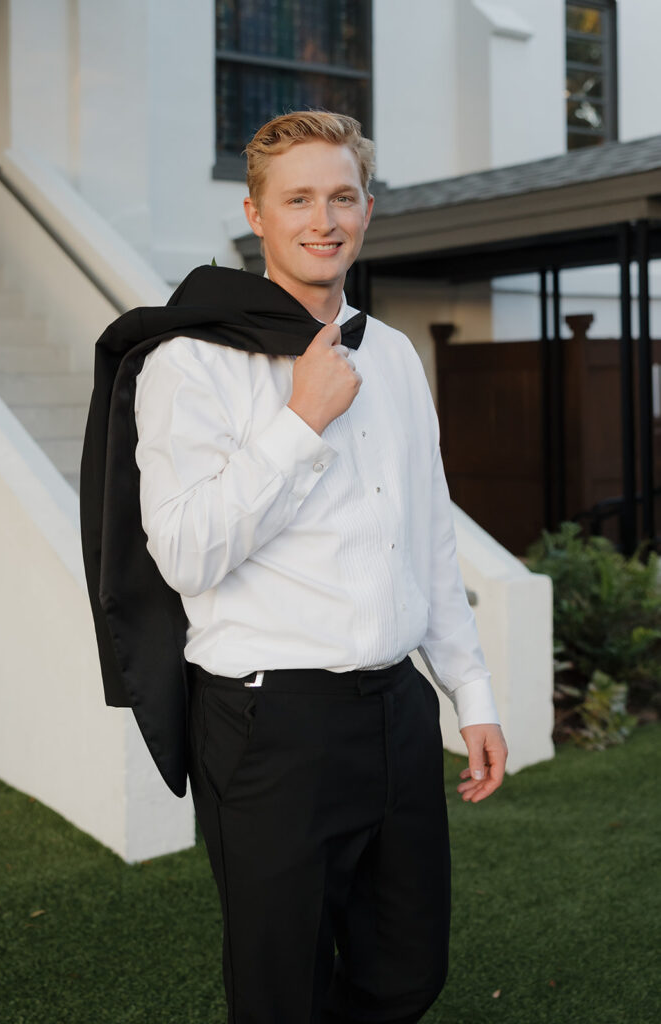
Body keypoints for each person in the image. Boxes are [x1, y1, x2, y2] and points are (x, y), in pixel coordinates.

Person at [131, 111, 508, 1024]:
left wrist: (472, 692)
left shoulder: (395, 358)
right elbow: (183, 553)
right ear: (256, 216)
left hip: (397, 712)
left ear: (368, 211)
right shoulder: (190, 361)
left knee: (406, 970)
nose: (322, 219)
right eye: (297, 198)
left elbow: (427, 537)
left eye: (341, 197)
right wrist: (300, 421)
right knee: (283, 990)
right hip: (270, 723)